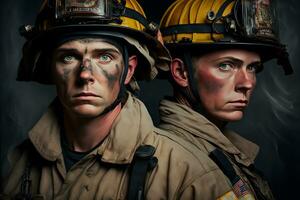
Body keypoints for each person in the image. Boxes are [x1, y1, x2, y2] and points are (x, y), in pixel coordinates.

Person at [0, 0, 213, 199]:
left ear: (128, 71)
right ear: (51, 69)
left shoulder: (188, 174)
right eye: (69, 57)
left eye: (104, 57)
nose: (85, 74)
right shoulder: (18, 164)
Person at [157, 0, 293, 199]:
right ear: (180, 72)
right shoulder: (177, 163)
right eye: (226, 66)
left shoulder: (220, 150)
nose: (246, 83)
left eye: (252, 67)